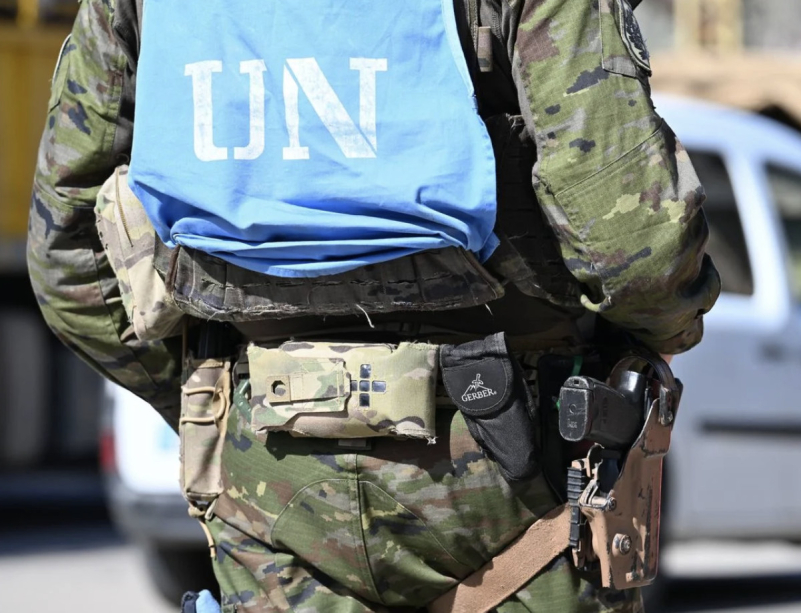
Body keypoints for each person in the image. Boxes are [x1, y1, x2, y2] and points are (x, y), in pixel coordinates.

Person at [27, 0, 720, 611]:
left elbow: (68, 257)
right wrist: (657, 335)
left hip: (270, 464)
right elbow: (638, 254)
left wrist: (219, 402)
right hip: (516, 465)